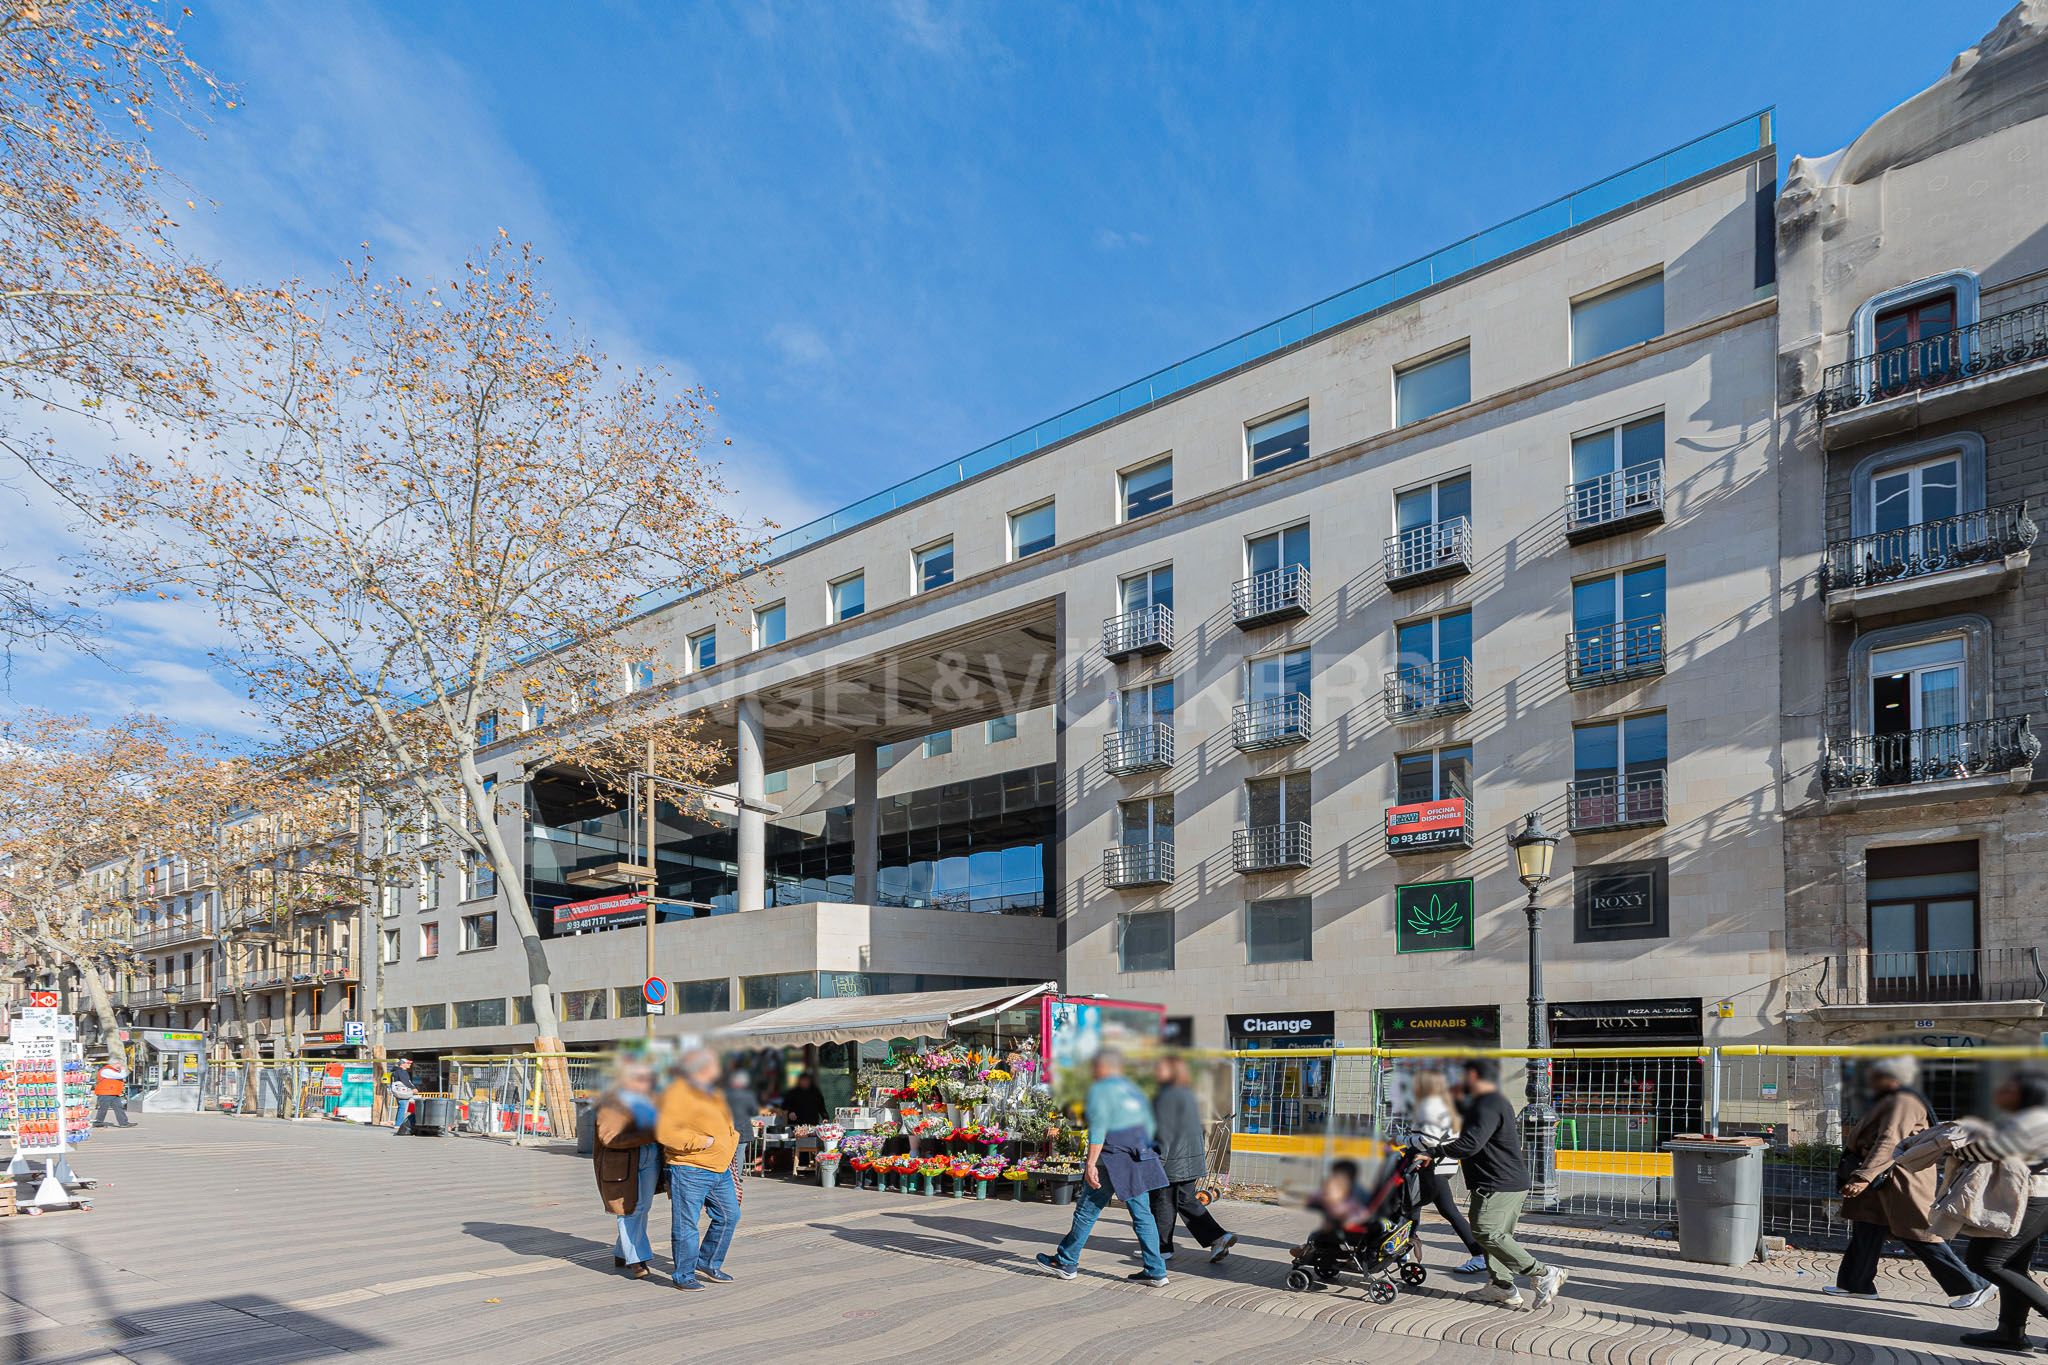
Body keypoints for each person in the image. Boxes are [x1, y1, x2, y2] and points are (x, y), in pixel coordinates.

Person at [1827, 1056, 1990, 1307]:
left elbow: (1888, 1141)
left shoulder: (1902, 1100)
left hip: (1900, 1178)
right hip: (1885, 1178)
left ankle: (1974, 1284)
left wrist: (1863, 1177)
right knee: (1867, 1226)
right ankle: (1855, 1284)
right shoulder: (1889, 1099)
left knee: (1918, 1232)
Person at [1414, 1059, 1567, 1308]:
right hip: (1503, 1181)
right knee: (1493, 1236)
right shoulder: (1488, 1102)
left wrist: (1435, 1152)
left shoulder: (1487, 1104)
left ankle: (1543, 1272)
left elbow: (1470, 1144)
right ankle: (1501, 1287)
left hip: (1498, 1182)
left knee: (1487, 1231)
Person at [1035, 1049, 1172, 1286]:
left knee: (1086, 1211)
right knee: (1143, 1214)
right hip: (1138, 1154)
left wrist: (1090, 1164)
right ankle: (1156, 1270)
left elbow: (1099, 1128)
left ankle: (1066, 1261)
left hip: (1113, 1158)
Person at [1956, 1069, 2048, 1352]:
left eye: (2009, 1088)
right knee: (2012, 1265)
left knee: (1986, 1260)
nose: (2000, 1092)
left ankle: (2012, 1332)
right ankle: (2010, 1332)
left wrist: (1955, 1145)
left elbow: (1987, 1151)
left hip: (2031, 1198)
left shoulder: (2033, 1120)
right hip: (2033, 1198)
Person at [657, 1046, 742, 1291]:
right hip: (690, 1168)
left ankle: (707, 1261)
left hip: (719, 1169)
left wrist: (730, 1140)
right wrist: (702, 1142)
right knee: (687, 1224)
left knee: (730, 1215)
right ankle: (683, 1274)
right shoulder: (678, 1092)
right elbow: (665, 1132)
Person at [1147, 1055, 1236, 1263]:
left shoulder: (1164, 1096)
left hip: (1172, 1161)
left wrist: (1157, 1163)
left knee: (1162, 1202)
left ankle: (1162, 1249)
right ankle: (1218, 1237)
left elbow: (1164, 1133)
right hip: (1189, 1159)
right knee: (1184, 1200)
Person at [1409, 1070, 1487, 1275]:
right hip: (1445, 1165)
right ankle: (1405, 1247)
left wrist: (1402, 1140)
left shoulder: (1430, 1107)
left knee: (1445, 1210)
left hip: (1433, 1166)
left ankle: (1479, 1255)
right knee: (1415, 1205)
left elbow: (1429, 1140)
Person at [593, 1058, 663, 1280]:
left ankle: (621, 1251)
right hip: (623, 1162)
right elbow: (608, 1136)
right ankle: (636, 1259)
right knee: (629, 1208)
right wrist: (651, 1134)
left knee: (643, 1207)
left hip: (651, 1156)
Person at [92, 1056, 133, 1129]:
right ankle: (98, 1122)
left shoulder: (112, 1070)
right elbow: (121, 1076)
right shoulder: (106, 1070)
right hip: (105, 1092)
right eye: (121, 1064)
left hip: (113, 1092)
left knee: (119, 1108)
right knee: (103, 1108)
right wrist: (123, 1070)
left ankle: (124, 1123)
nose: (122, 1065)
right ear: (116, 1063)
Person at [388, 1058, 420, 1136]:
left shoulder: (395, 1071)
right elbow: (405, 1081)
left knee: (404, 1107)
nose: (409, 1064)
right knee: (403, 1107)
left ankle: (400, 1123)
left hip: (399, 1092)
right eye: (407, 1063)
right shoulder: (401, 1072)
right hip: (403, 1092)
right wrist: (413, 1088)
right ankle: (399, 1124)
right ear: (402, 1064)